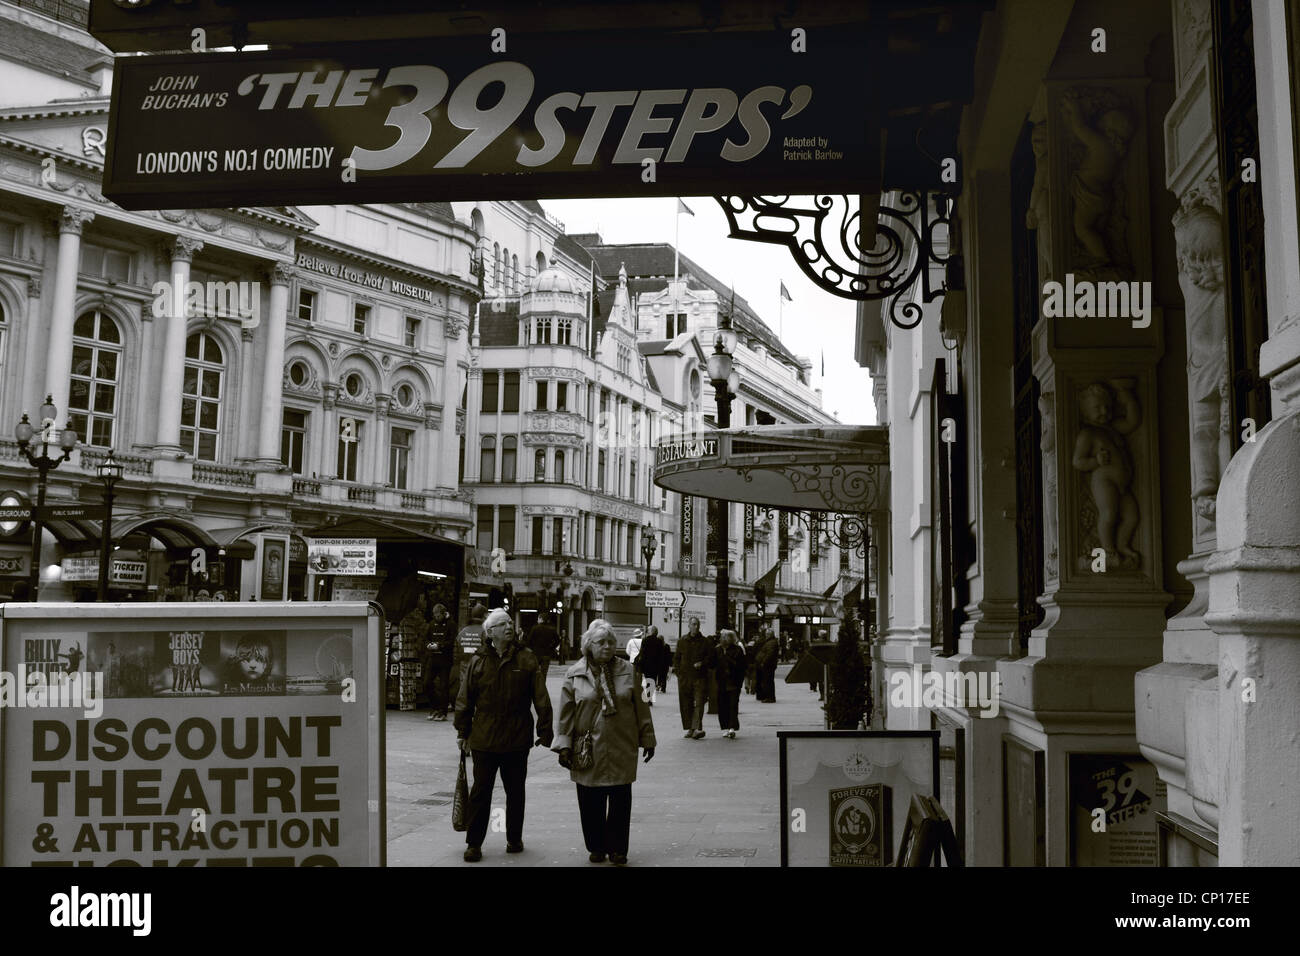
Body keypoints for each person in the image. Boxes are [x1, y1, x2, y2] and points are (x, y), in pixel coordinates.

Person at [454, 608, 553, 862]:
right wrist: (462, 731)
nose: (508, 626)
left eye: (509, 622)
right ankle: (474, 843)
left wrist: (545, 729)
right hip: (484, 736)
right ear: (491, 632)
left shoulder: (526, 658)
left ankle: (514, 838)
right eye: (502, 624)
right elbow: (465, 699)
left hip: (517, 736)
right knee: (480, 792)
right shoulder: (478, 661)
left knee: (515, 790)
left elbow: (540, 697)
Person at [554, 620, 656, 865]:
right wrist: (564, 745)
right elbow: (566, 713)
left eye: (611, 642)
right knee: (590, 802)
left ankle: (618, 849)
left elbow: (641, 707)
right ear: (589, 645)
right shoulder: (575, 673)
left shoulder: (628, 670)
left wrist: (648, 738)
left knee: (621, 800)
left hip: (622, 744)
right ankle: (596, 846)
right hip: (588, 747)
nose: (608, 647)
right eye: (601, 642)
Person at [673, 617, 713, 739]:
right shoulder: (682, 641)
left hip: (699, 677)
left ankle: (696, 728)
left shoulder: (705, 642)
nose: (695, 627)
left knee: (699, 702)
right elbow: (676, 658)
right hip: (685, 677)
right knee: (686, 703)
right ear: (689, 626)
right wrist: (679, 673)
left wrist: (702, 663)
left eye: (697, 624)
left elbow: (710, 658)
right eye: (693, 624)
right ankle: (690, 728)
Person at [714, 630, 746, 738]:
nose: (723, 639)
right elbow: (712, 663)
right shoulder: (717, 650)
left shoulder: (737, 650)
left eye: (726, 637)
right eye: (722, 637)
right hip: (721, 682)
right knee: (723, 705)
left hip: (733, 682)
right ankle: (726, 727)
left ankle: (732, 727)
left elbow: (741, 667)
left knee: (733, 705)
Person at [424, 603, 453, 721]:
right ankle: (434, 707)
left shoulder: (451, 625)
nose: (436, 617)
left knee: (443, 686)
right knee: (426, 683)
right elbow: (426, 638)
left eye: (438, 615)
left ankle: (443, 711)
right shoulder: (431, 624)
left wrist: (439, 646)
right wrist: (428, 645)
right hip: (433, 658)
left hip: (445, 660)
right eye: (435, 615)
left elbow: (451, 641)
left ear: (444, 614)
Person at [526, 612, 561, 680]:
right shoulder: (552, 629)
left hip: (536, 653)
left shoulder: (535, 628)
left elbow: (529, 641)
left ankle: (535, 686)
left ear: (541, 619)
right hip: (546, 653)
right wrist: (551, 648)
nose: (537, 620)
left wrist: (532, 649)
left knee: (535, 671)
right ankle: (542, 687)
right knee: (544, 673)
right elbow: (557, 640)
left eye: (538, 618)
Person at [754, 627, 780, 703]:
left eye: (767, 634)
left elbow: (769, 654)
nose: (766, 635)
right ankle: (768, 696)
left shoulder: (771, 642)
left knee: (768, 681)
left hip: (768, 666)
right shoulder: (770, 642)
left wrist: (763, 662)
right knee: (767, 681)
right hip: (768, 665)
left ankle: (769, 697)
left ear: (769, 634)